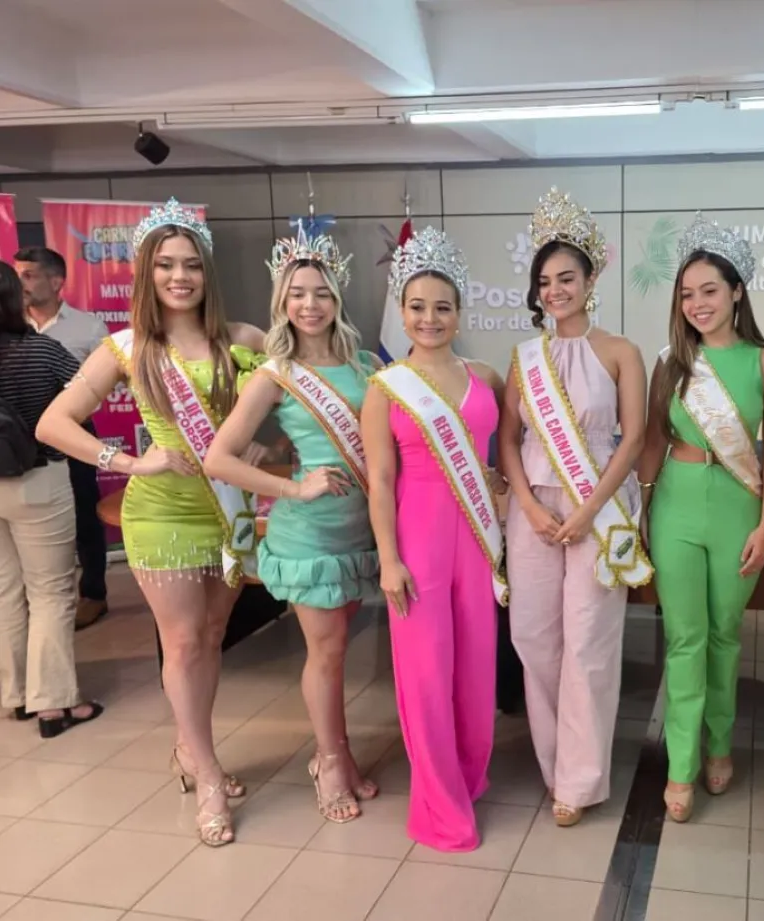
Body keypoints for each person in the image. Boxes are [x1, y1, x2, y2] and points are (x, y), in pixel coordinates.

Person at [38, 199, 269, 848]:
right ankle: (209, 772)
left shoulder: (243, 340)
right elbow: (52, 423)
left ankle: (189, 750)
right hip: (162, 512)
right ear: (146, 272)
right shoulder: (126, 346)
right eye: (165, 264)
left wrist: (266, 445)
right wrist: (129, 460)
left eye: (191, 264)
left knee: (215, 633)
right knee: (185, 641)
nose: (179, 276)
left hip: (228, 508)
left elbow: (290, 403)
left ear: (207, 272)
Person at [204, 227, 380, 823]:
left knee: (340, 650)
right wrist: (293, 487)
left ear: (338, 299)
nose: (310, 304)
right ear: (282, 302)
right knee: (327, 653)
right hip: (310, 535)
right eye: (298, 294)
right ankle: (329, 762)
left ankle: (341, 754)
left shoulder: (365, 364)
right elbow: (219, 457)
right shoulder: (274, 374)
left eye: (322, 293)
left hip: (359, 530)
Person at [498, 188, 649, 828]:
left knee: (589, 641)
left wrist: (588, 511)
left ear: (590, 280)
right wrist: (530, 507)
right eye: (544, 282)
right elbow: (508, 439)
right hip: (534, 506)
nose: (554, 290)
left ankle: (580, 781)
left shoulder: (620, 352)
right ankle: (555, 761)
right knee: (534, 636)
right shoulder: (523, 358)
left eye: (566, 278)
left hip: (600, 503)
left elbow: (634, 438)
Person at [638, 214, 764, 822]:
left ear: (737, 292)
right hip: (676, 503)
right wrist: (642, 512)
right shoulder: (671, 362)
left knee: (726, 633)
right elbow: (652, 440)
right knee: (685, 637)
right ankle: (681, 766)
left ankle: (719, 742)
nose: (697, 304)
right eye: (686, 294)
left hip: (738, 508)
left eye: (709, 291)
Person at [362, 226, 507, 851]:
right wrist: (388, 559)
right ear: (401, 313)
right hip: (417, 540)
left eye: (442, 307)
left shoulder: (486, 376)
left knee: (475, 668)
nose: (430, 318)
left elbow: (503, 457)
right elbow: (379, 480)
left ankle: (468, 776)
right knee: (425, 673)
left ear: (459, 312)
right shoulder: (385, 388)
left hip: (476, 540)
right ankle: (439, 804)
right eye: (418, 307)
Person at [0, 260, 103, 736]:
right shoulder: (42, 350)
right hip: (38, 479)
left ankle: (15, 694)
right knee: (50, 592)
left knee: (5, 591)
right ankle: (55, 704)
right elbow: (87, 399)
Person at [16, 246, 110, 630]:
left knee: (85, 515)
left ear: (56, 282)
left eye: (28, 275)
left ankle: (93, 594)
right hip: (19, 443)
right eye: (16, 276)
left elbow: (101, 390)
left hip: (73, 437)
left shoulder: (88, 328)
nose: (20, 284)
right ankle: (35, 599)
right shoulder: (9, 327)